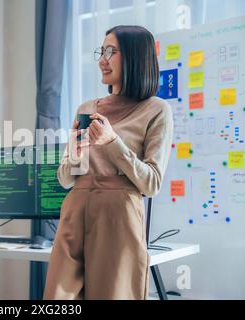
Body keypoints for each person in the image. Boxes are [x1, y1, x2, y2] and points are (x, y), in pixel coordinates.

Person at [44, 25, 173, 300]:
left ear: (136, 57)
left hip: (118, 221)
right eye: (101, 52)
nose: (102, 60)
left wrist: (113, 142)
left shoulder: (156, 110)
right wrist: (76, 154)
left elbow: (151, 184)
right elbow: (65, 178)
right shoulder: (86, 108)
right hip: (74, 213)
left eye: (110, 52)